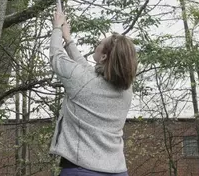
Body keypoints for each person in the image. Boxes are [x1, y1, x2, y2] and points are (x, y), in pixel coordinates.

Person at [49, 11, 138, 176]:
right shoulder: (126, 89)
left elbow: (56, 56)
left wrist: (56, 27)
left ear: (103, 56)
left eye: (99, 43)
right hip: (118, 170)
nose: (96, 45)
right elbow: (85, 71)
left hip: (81, 170)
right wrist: (68, 39)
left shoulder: (82, 81)